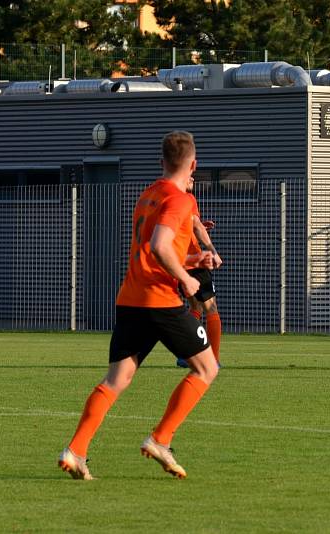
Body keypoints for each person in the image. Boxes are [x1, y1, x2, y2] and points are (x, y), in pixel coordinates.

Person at [58, 131, 219, 480]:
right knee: (207, 369)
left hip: (130, 298)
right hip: (159, 300)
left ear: (162, 162)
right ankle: (161, 439)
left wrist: (194, 258)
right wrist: (188, 279)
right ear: (193, 164)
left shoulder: (149, 194)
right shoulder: (180, 200)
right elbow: (160, 247)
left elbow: (157, 250)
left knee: (117, 378)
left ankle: (76, 451)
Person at [176, 178, 223, 369]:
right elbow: (194, 226)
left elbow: (186, 226)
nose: (193, 179)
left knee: (195, 307)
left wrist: (200, 225)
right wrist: (213, 251)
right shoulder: (187, 198)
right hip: (194, 261)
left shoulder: (167, 198)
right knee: (211, 308)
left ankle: (185, 356)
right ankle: (213, 359)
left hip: (178, 264)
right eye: (190, 175)